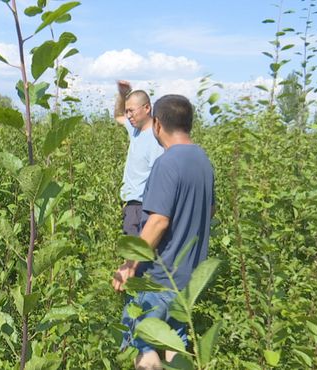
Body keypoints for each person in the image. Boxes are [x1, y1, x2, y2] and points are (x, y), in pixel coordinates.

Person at [111, 95, 215, 370]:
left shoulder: (167, 163)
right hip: (188, 279)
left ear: (157, 124)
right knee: (174, 343)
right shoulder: (203, 161)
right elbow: (209, 211)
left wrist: (130, 265)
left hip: (159, 276)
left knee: (142, 341)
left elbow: (158, 222)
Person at [114, 80, 164, 236]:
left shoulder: (156, 138)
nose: (128, 115)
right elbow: (117, 116)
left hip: (143, 208)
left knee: (136, 257)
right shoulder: (135, 129)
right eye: (127, 111)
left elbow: (160, 178)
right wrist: (122, 95)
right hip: (132, 206)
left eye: (131, 111)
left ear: (147, 108)